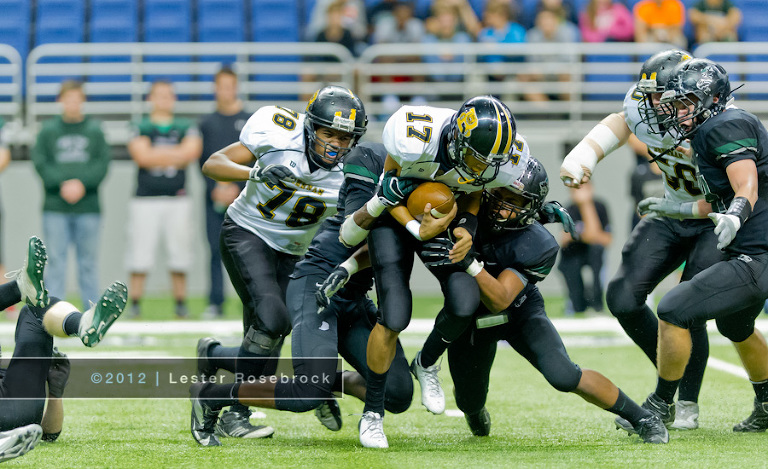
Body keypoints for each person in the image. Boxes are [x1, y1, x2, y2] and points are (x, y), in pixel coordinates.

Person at [336, 95, 529, 448]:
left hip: (441, 214)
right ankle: (373, 414)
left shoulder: (498, 161)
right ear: (456, 138)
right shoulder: (414, 135)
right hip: (395, 215)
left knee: (465, 299)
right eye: (473, 156)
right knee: (394, 314)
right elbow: (387, 191)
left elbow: (474, 190)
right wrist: (415, 229)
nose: (479, 167)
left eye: (488, 162)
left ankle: (425, 363)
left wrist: (467, 227)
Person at [190, 142, 414, 447]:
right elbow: (354, 230)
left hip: (353, 298)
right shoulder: (361, 189)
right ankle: (211, 396)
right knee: (305, 392)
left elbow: (388, 246)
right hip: (318, 288)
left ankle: (318, 377)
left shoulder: (413, 193)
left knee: (398, 393)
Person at [431, 160, 668, 444]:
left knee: (564, 375)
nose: (502, 208)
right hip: (468, 320)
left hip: (519, 311)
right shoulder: (467, 212)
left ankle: (642, 417)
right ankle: (475, 410)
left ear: (529, 208)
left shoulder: (538, 243)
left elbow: (500, 299)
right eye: (501, 196)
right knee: (468, 401)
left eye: (515, 202)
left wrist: (469, 262)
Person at [560, 49, 722, 431]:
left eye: (660, 96)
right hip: (671, 209)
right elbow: (621, 121)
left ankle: (684, 402)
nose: (651, 105)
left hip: (713, 216)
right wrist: (586, 154)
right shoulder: (644, 108)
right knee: (621, 296)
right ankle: (672, 372)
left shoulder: (718, 121)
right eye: (648, 95)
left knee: (686, 305)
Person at [198, 85, 367, 439]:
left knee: (277, 326)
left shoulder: (354, 170)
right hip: (247, 233)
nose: (336, 143)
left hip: (296, 251)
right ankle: (235, 408)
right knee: (272, 320)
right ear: (310, 127)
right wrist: (254, 173)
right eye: (328, 133)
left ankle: (216, 359)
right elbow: (212, 163)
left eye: (344, 137)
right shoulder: (278, 132)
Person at [632, 58, 768, 434]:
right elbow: (721, 198)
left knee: (674, 308)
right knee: (735, 323)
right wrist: (677, 207)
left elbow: (746, 186)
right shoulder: (714, 126)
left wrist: (738, 214)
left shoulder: (724, 126)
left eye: (683, 102)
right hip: (756, 247)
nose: (676, 111)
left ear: (711, 98)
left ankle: (660, 405)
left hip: (758, 252)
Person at [0, 236, 127, 462]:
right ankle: (20, 287)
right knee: (33, 304)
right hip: (19, 410)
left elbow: (48, 433)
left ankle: (83, 324)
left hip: (15, 408)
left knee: (37, 309)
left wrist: (56, 394)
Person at [126, 80, 202, 318]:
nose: (163, 99)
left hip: (177, 198)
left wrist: (155, 153)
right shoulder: (141, 125)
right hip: (145, 199)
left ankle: (180, 302)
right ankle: (135, 302)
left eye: (168, 95)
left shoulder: (184, 125)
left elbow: (191, 153)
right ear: (150, 98)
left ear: (174, 98)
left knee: (179, 251)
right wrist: (174, 154)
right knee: (140, 251)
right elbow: (142, 157)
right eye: (159, 95)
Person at [31, 80, 111, 308]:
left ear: (83, 101)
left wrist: (82, 184)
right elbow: (40, 163)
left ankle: (92, 313)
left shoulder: (95, 131)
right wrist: (63, 184)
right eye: (69, 99)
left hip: (89, 207)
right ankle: (55, 312)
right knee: (55, 262)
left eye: (77, 99)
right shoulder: (48, 131)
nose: (73, 104)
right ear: (60, 101)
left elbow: (102, 163)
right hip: (56, 207)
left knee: (88, 263)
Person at [198, 67, 250, 319]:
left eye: (230, 85)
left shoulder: (250, 121)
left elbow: (255, 160)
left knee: (248, 250)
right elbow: (202, 163)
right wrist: (215, 190)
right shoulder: (206, 123)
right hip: (214, 199)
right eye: (221, 85)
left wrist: (237, 189)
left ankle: (251, 301)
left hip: (246, 199)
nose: (225, 91)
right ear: (215, 88)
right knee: (215, 250)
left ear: (236, 87)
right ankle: (215, 301)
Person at [557, 182, 612, 315]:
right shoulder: (568, 209)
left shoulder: (600, 207)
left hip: (593, 255)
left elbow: (605, 239)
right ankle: (575, 304)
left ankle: (597, 304)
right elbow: (564, 240)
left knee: (597, 252)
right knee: (570, 268)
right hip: (573, 255)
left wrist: (586, 205)